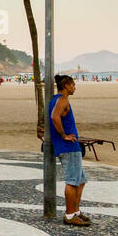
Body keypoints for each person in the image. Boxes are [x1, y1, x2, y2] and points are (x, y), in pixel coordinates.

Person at [48, 74, 90, 226]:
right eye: (72, 85)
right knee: (72, 181)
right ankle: (70, 215)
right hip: (68, 147)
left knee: (81, 181)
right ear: (66, 86)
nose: (75, 87)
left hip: (70, 146)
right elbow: (54, 117)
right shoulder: (62, 99)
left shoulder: (55, 99)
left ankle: (76, 211)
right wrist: (64, 135)